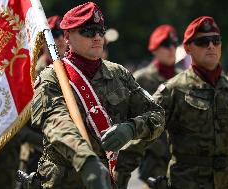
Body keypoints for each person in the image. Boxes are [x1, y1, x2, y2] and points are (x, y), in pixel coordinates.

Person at [31, 2, 164, 189]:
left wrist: (132, 128)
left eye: (101, 31)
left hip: (109, 178)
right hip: (65, 180)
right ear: (68, 36)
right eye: (88, 31)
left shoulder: (119, 73)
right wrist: (85, 159)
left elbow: (156, 114)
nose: (97, 37)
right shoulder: (52, 76)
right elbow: (56, 122)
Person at [115, 16, 228, 189]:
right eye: (203, 41)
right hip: (185, 182)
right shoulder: (174, 89)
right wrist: (119, 180)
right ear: (188, 48)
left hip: (226, 183)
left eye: (216, 40)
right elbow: (142, 134)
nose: (211, 45)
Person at [132, 24, 179, 188]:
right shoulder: (141, 79)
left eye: (174, 44)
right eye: (166, 45)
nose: (172, 49)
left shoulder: (183, 78)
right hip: (154, 161)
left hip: (181, 161)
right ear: (155, 49)